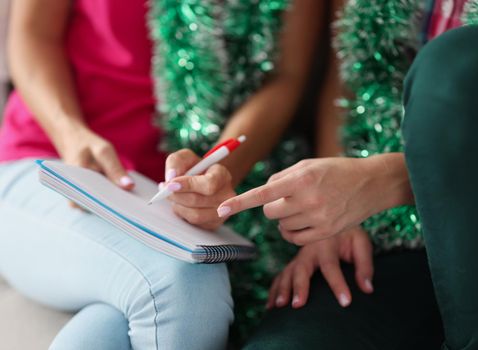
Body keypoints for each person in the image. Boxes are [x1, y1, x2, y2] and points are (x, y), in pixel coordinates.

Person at [0, 0, 322, 348]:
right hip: (50, 164)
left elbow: (285, 76)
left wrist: (220, 171)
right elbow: (33, 34)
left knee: (115, 324)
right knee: (187, 282)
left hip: (170, 202)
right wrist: (70, 133)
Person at [215, 1, 478, 349]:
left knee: (460, 62)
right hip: (386, 238)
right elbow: (348, 75)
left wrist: (387, 179)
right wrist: (331, 204)